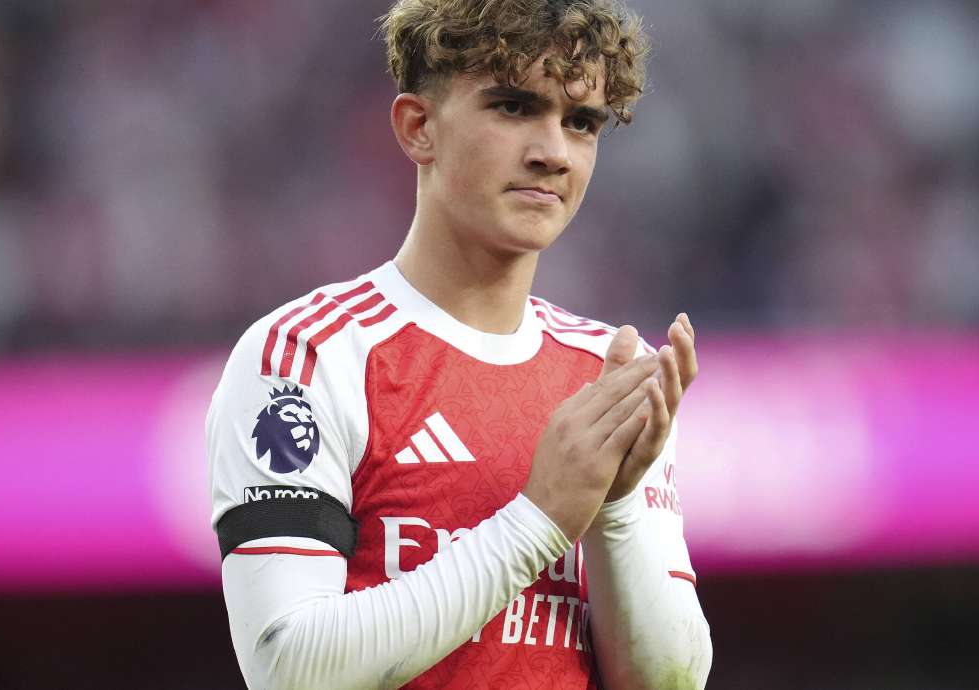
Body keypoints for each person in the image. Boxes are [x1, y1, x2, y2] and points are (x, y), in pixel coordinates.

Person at [206, 1, 712, 687]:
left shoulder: (606, 376)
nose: (553, 153)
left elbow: (670, 680)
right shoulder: (307, 359)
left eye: (581, 122)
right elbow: (289, 666)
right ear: (419, 128)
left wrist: (614, 507)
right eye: (513, 107)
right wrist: (541, 518)